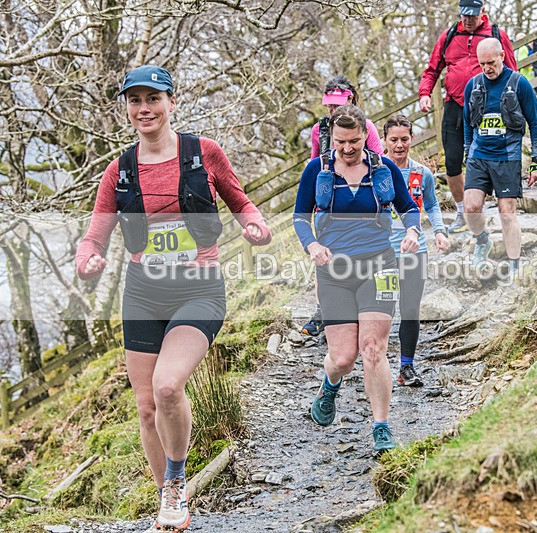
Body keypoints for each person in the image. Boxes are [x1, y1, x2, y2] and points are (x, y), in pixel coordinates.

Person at [76, 65, 272, 531]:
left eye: (153, 99)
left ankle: (178, 481)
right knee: (146, 407)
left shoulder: (203, 153)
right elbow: (94, 238)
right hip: (143, 293)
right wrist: (87, 261)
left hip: (198, 291)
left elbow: (240, 201)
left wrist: (255, 225)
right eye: (135, 100)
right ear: (127, 108)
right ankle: (170, 506)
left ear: (171, 101)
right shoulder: (118, 171)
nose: (144, 109)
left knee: (168, 387)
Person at [292, 105, 421, 453]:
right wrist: (313, 244)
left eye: (354, 141)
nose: (347, 148)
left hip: (380, 265)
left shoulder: (384, 168)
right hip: (334, 271)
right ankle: (329, 385)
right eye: (339, 141)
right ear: (331, 138)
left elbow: (409, 207)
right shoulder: (316, 170)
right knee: (344, 357)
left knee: (373, 349)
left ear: (366, 135)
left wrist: (412, 231)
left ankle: (381, 427)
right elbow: (300, 217)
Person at [419, 0, 517, 234]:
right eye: (464, 15)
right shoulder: (449, 35)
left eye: (473, 15)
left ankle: (497, 206)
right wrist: (424, 94)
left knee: (486, 157)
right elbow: (433, 69)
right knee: (452, 161)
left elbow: (512, 71)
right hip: (454, 105)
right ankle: (463, 212)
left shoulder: (495, 35)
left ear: (482, 12)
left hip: (488, 106)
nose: (468, 19)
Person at [302, 76, 385, 337]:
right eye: (329, 106)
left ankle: (365, 306)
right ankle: (323, 309)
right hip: (328, 199)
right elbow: (314, 161)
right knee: (324, 254)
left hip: (362, 199)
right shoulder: (319, 130)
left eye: (337, 104)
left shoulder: (365, 127)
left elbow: (379, 161)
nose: (332, 111)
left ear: (350, 99)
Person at [464, 38, 537, 272]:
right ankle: (482, 240)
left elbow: (535, 123)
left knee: (507, 212)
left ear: (502, 55)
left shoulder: (519, 83)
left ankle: (515, 265)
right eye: (482, 64)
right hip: (479, 155)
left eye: (491, 62)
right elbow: (468, 122)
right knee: (470, 207)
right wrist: (468, 151)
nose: (487, 68)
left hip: (507, 155)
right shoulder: (473, 85)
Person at [383, 114, 450, 388]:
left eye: (404, 139)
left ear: (412, 139)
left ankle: (406, 367)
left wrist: (440, 231)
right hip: (382, 254)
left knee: (410, 309)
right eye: (394, 140)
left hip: (415, 251)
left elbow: (432, 205)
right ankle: (375, 366)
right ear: (385, 140)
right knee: (383, 310)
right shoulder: (376, 171)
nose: (399, 145)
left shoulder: (422, 173)